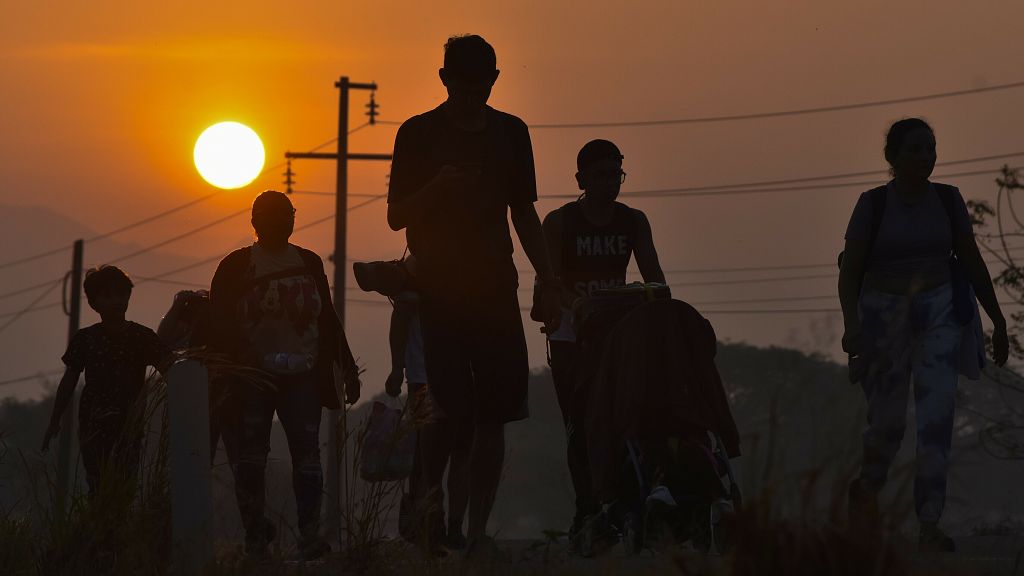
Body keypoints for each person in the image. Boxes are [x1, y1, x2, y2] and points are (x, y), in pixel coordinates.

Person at [386, 34, 561, 556]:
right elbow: (397, 216)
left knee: (493, 415)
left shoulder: (511, 133)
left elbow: (524, 213)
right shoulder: (417, 133)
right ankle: (427, 512)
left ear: (495, 81)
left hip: (494, 289)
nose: (471, 99)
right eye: (462, 89)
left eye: (481, 89)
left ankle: (478, 531)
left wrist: (547, 276)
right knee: (443, 413)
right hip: (438, 291)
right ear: (444, 81)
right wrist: (437, 187)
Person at [838, 118, 1009, 552]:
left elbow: (971, 262)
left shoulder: (948, 201)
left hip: (939, 314)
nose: (925, 157)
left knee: (936, 421)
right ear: (892, 158)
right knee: (888, 425)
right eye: (915, 149)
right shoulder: (872, 205)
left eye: (930, 149)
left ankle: (929, 521)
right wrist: (852, 329)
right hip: (883, 317)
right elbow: (850, 271)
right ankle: (867, 492)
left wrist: (997, 319)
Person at [209, 190, 361, 560]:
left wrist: (348, 366)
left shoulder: (308, 262)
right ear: (254, 222)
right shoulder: (235, 266)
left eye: (286, 214)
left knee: (307, 456)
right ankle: (256, 537)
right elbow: (217, 325)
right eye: (270, 215)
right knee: (251, 458)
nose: (280, 221)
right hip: (252, 379)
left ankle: (309, 537)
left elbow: (325, 319)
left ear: (294, 219)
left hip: (304, 373)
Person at [541, 139, 666, 541]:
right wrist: (575, 304)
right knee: (578, 423)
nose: (610, 183)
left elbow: (655, 280)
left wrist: (648, 299)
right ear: (581, 179)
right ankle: (587, 508)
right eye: (601, 176)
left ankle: (623, 501)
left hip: (617, 332)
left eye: (616, 175)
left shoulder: (633, 221)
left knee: (622, 418)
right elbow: (548, 285)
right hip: (570, 334)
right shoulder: (559, 222)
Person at [42, 265, 172, 496]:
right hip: (94, 422)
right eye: (108, 296)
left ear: (129, 296)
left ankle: (115, 528)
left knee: (125, 484)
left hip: (130, 423)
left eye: (121, 294)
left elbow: (170, 372)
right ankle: (102, 528)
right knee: (98, 483)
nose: (116, 301)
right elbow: (69, 381)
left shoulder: (142, 337)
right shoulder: (86, 339)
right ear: (94, 304)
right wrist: (55, 420)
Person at [381, 255, 472, 551]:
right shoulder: (415, 272)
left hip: (461, 377)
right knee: (429, 459)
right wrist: (397, 368)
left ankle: (450, 525)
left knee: (458, 452)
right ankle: (431, 524)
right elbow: (400, 319)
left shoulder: (467, 268)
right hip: (424, 377)